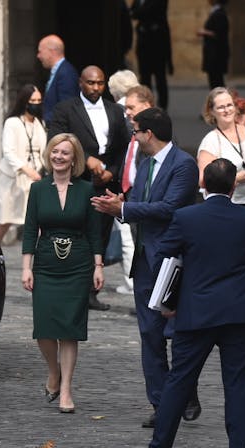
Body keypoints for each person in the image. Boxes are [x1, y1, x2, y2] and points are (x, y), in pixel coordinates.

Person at [132, 158, 245, 448]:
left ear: (202, 185)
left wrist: (170, 297)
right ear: (234, 185)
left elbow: (164, 252)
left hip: (196, 311)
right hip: (240, 311)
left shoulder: (186, 217)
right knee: (238, 387)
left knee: (178, 382)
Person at [91, 108, 199, 428]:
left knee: (178, 335)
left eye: (136, 132)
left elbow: (169, 209)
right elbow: (137, 205)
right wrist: (119, 204)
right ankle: (161, 402)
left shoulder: (184, 165)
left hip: (171, 262)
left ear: (148, 134)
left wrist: (124, 207)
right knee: (149, 335)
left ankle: (186, 392)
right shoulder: (144, 163)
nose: (133, 138)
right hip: (144, 262)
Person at [22, 133, 103, 414]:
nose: (59, 157)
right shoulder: (38, 189)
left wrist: (98, 265)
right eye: (55, 151)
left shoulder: (86, 189)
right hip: (46, 265)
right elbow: (30, 229)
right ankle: (53, 372)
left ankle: (66, 388)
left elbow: (94, 231)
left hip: (78, 266)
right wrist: (26, 267)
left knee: (70, 330)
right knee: (44, 329)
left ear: (74, 158)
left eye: (65, 153)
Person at [48, 65, 130, 311]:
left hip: (107, 183)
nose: (96, 88)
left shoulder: (116, 111)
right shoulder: (65, 109)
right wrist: (86, 162)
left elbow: (123, 148)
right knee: (73, 235)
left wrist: (111, 172)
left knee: (100, 237)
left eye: (100, 83)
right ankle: (68, 289)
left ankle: (92, 291)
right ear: (81, 83)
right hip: (78, 182)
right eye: (91, 83)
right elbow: (57, 142)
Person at [0, 84, 46, 244]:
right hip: (13, 179)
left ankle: (39, 259)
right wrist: (25, 169)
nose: (36, 104)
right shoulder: (12, 123)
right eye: (32, 100)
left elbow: (42, 151)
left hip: (35, 179)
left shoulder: (40, 123)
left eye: (39, 100)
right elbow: (8, 151)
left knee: (38, 220)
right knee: (4, 220)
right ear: (24, 101)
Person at [197, 88, 245, 206]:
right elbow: (203, 181)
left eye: (229, 105)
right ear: (211, 111)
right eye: (221, 107)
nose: (227, 110)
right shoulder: (211, 141)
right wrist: (234, 179)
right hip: (231, 206)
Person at [108, 71, 141, 296]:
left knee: (127, 233)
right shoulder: (129, 110)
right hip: (129, 177)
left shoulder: (118, 112)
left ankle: (132, 280)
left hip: (125, 179)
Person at [131, 0, 172, 110]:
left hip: (157, 45)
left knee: (160, 78)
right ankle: (147, 104)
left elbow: (147, 11)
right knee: (145, 77)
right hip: (144, 45)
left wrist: (140, 12)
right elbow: (133, 12)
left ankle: (163, 106)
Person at [36, 35, 79, 124]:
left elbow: (66, 109)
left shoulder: (66, 73)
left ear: (52, 51)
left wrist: (41, 122)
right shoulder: (58, 72)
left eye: (40, 52)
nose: (38, 56)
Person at [198, 0, 229, 89]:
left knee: (216, 83)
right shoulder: (216, 12)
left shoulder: (219, 14)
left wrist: (204, 32)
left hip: (216, 55)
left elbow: (218, 34)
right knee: (215, 82)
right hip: (214, 54)